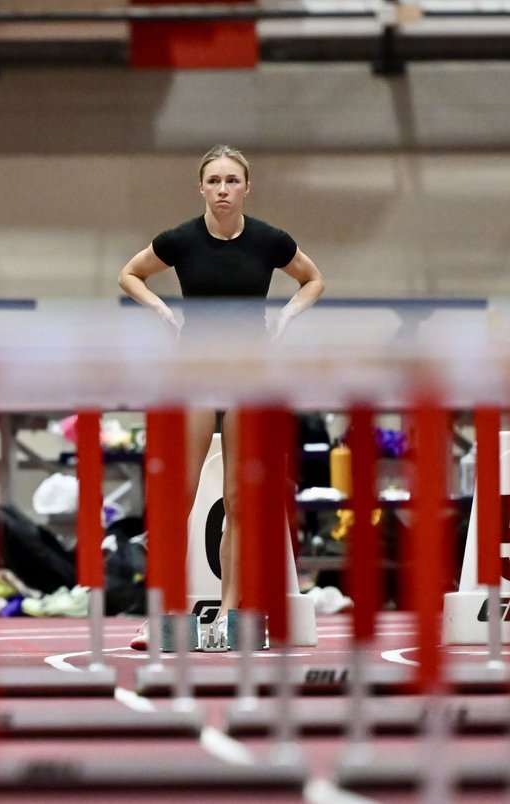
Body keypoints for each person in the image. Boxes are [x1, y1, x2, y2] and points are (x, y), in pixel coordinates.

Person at [117, 145, 325, 650]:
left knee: (239, 500)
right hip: (196, 371)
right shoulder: (181, 240)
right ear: (202, 188)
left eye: (233, 181)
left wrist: (288, 316)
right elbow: (129, 274)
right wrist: (161, 311)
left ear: (247, 187)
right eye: (215, 181)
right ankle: (164, 611)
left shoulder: (269, 240)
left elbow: (313, 279)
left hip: (250, 374)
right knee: (179, 496)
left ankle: (231, 615)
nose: (224, 190)